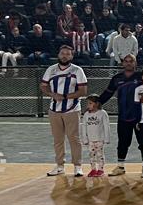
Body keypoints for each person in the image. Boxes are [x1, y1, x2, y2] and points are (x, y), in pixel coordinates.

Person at [40, 44, 87, 177]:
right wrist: (52, 94)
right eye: (62, 53)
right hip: (54, 110)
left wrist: (66, 96)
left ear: (72, 56)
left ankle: (78, 166)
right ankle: (60, 166)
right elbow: (43, 86)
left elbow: (83, 91)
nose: (65, 55)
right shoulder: (51, 69)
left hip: (72, 109)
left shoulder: (77, 70)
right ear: (58, 55)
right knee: (58, 139)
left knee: (74, 138)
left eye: (68, 53)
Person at [79, 95, 110, 178]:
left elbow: (106, 126)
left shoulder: (102, 113)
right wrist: (84, 139)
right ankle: (93, 169)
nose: (88, 105)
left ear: (96, 104)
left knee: (100, 155)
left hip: (99, 139)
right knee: (91, 155)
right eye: (88, 103)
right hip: (90, 140)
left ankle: (100, 169)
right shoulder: (86, 115)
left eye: (90, 103)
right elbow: (84, 127)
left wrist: (107, 138)